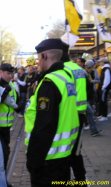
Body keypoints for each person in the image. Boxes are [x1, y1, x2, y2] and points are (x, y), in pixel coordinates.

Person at [24, 39, 79, 186]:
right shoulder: (66, 77)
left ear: (44, 56)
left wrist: (33, 161)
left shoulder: (49, 82)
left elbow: (44, 127)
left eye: (38, 58)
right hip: (64, 155)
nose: (37, 63)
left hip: (48, 160)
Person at [62, 42, 88, 184]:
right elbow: (88, 90)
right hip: (80, 113)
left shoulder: (64, 70)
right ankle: (80, 178)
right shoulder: (78, 69)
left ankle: (77, 180)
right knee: (76, 150)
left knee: (67, 150)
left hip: (70, 114)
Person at [0, 63, 21, 187]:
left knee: (4, 153)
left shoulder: (10, 84)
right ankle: (1, 182)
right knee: (3, 153)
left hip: (6, 126)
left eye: (11, 74)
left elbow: (14, 99)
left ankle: (2, 179)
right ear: (0, 72)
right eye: (7, 73)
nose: (10, 76)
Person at [84, 60, 103, 137]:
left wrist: (93, 81)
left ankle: (93, 130)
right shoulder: (84, 73)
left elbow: (97, 81)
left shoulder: (90, 72)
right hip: (84, 97)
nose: (89, 69)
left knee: (90, 112)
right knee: (90, 112)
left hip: (88, 95)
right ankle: (93, 130)